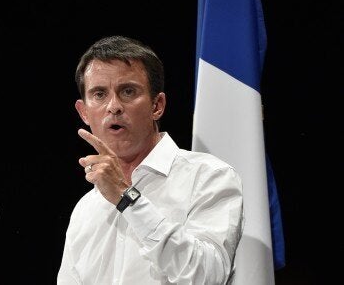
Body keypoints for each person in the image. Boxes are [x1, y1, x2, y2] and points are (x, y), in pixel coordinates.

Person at [57, 35, 244, 285]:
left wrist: (127, 199)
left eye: (128, 91)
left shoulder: (209, 177)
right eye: (100, 94)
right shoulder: (85, 209)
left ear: (157, 105)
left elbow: (207, 276)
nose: (114, 106)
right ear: (84, 112)